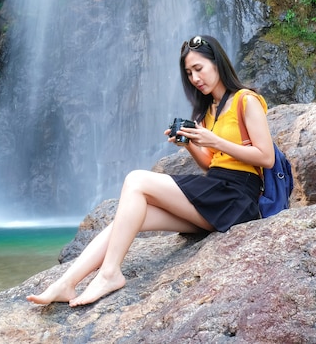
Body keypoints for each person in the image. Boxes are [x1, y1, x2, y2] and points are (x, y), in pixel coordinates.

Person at [27, 34, 275, 307]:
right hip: (215, 198)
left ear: (217, 63)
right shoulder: (208, 111)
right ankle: (66, 283)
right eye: (189, 73)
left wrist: (215, 141)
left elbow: (266, 157)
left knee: (136, 180)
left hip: (237, 198)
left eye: (199, 69)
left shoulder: (246, 101)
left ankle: (110, 273)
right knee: (129, 218)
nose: (194, 78)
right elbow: (209, 164)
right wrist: (192, 145)